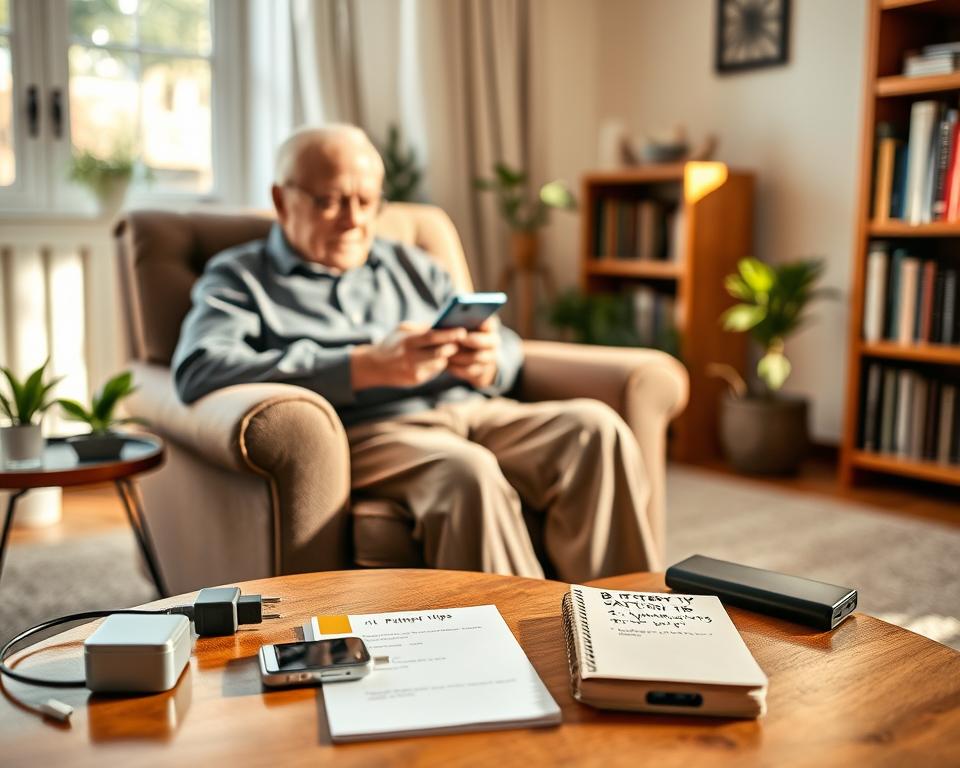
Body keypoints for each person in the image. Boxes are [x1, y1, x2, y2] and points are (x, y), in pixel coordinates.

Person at [172, 124, 659, 582]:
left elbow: (504, 342)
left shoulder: (410, 263)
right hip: (369, 431)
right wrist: (360, 367)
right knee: (466, 473)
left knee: (596, 429)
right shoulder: (239, 277)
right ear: (281, 200)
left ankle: (624, 630)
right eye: (329, 202)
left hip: (472, 408)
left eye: (366, 201)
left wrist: (492, 360)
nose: (354, 220)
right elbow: (200, 368)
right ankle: (525, 650)